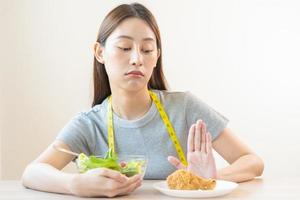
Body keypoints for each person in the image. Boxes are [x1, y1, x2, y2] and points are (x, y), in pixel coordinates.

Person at [22, 2, 264, 198]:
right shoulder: (88, 125)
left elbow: (252, 162)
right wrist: (76, 184)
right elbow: (32, 173)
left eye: (147, 50)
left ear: (156, 56)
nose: (137, 59)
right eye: (125, 48)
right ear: (100, 53)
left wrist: (208, 180)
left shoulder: (185, 108)